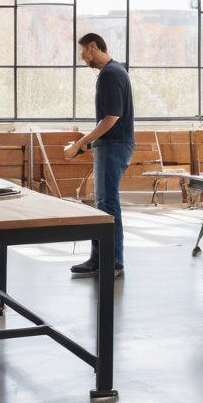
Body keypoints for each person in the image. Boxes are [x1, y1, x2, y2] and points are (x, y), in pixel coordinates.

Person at [66, 33, 134, 279]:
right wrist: (87, 143)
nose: (82, 58)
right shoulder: (114, 72)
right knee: (103, 204)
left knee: (108, 205)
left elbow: (112, 118)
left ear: (93, 47)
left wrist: (83, 142)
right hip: (111, 145)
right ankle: (99, 259)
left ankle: (112, 262)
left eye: (82, 52)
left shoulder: (110, 74)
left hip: (115, 146)